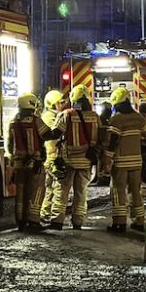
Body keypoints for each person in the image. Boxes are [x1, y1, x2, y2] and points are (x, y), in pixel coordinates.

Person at [50, 84, 101, 230]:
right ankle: (78, 222)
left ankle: (57, 221)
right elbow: (100, 138)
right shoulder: (95, 116)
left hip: (68, 160)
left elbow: (56, 133)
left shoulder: (67, 114)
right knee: (81, 192)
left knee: (62, 190)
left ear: (74, 99)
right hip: (86, 162)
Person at [103, 86, 146, 233]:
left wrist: (107, 161)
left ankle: (119, 223)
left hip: (120, 163)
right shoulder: (138, 117)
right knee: (135, 192)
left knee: (118, 192)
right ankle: (139, 221)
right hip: (137, 162)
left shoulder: (116, 120)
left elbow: (112, 142)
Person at [6, 93, 55, 232]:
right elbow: (47, 135)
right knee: (36, 190)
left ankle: (20, 220)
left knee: (20, 192)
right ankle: (33, 221)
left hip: (19, 163)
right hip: (34, 162)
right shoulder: (35, 120)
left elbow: (10, 143)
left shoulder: (13, 122)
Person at [39, 89, 66, 224]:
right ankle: (45, 213)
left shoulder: (51, 115)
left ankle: (45, 213)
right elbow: (56, 134)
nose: (62, 105)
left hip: (52, 156)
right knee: (53, 187)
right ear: (53, 104)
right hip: (51, 157)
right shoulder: (51, 117)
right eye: (60, 103)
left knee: (50, 187)